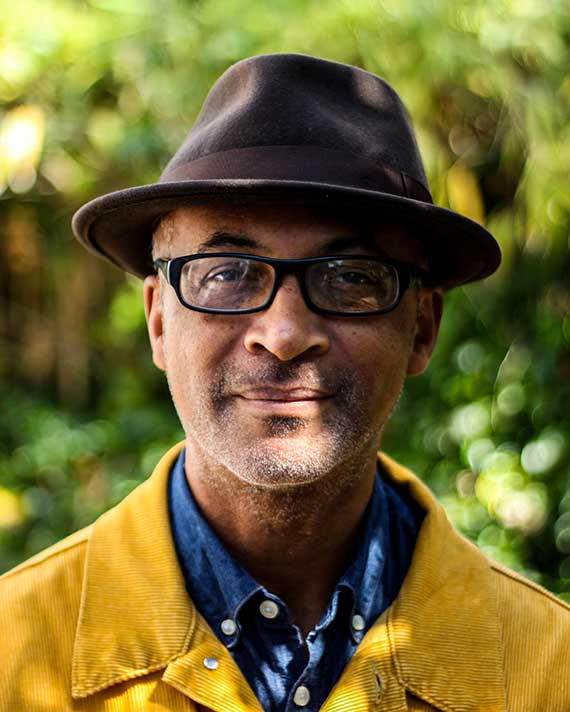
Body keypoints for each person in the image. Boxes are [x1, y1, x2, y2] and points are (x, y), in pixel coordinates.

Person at [1, 53, 568, 712]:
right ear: (159, 322)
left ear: (422, 327)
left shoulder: (547, 668)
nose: (284, 332)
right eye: (228, 271)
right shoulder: (16, 652)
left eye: (352, 276)